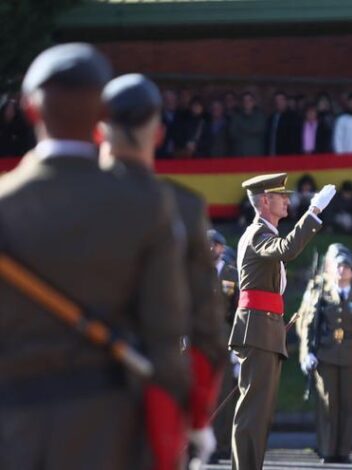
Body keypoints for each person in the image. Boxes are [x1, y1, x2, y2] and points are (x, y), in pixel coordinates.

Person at [0, 43, 189, 470]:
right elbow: (167, 336)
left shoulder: (5, 207)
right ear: (104, 115)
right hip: (108, 431)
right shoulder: (145, 206)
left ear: (30, 110)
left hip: (12, 429)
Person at [100, 73, 227, 467]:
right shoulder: (183, 209)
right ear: (157, 135)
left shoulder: (49, 204)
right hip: (153, 405)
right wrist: (198, 416)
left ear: (98, 132)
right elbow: (207, 333)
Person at [229, 173, 335, 470]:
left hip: (265, 329)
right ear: (265, 201)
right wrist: (313, 212)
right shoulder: (258, 235)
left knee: (260, 412)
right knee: (253, 411)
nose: (287, 200)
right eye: (281, 196)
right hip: (258, 330)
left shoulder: (264, 233)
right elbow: (288, 249)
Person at [299, 251, 352, 464]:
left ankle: (343, 451)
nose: (342, 271)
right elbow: (309, 326)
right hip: (326, 354)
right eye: (339, 267)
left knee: (347, 405)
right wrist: (307, 354)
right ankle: (328, 449)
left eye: (346, 267)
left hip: (351, 355)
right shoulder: (323, 294)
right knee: (328, 405)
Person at [208, 229, 240, 462]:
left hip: (225, 339)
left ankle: (221, 445)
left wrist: (238, 348)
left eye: (216, 245)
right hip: (199, 339)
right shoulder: (194, 272)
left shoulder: (232, 274)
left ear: (221, 248)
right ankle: (200, 446)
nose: (211, 249)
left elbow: (240, 311)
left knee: (222, 396)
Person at [229, 92, 266, 157]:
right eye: (245, 100)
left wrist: (242, 129)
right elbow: (233, 133)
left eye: (249, 100)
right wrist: (250, 131)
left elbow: (258, 129)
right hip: (240, 154)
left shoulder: (260, 116)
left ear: (254, 102)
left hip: (255, 154)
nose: (247, 102)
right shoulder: (236, 117)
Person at [265, 91, 302, 156]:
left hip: (286, 156)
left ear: (286, 102)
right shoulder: (271, 118)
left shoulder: (293, 117)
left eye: (281, 100)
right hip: (272, 154)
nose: (278, 102)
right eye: (276, 100)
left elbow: (295, 139)